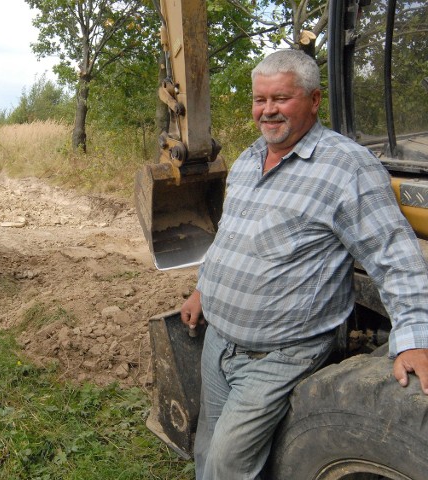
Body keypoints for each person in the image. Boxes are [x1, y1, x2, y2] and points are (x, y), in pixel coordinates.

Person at [180, 49, 428, 480]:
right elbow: (232, 236)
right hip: (220, 342)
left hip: (280, 354)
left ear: (314, 100)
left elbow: (396, 256)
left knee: (226, 465)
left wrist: (413, 338)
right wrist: (205, 288)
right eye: (260, 100)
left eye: (281, 98)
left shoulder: (345, 167)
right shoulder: (248, 158)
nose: (267, 110)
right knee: (208, 448)